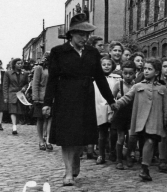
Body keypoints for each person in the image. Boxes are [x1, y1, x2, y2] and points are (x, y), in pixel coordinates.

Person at [42, 13, 116, 186]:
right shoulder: (58, 52)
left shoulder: (92, 53)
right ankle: (68, 173)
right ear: (71, 34)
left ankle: (76, 160)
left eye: (87, 34)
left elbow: (100, 78)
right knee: (67, 136)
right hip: (65, 96)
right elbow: (52, 79)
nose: (85, 38)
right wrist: (47, 103)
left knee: (81, 136)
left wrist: (111, 100)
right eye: (81, 34)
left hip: (85, 96)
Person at [115, 58, 167, 181]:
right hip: (140, 121)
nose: (146, 71)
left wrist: (166, 122)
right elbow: (126, 98)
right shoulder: (137, 86)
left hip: (155, 121)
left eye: (150, 69)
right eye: (145, 69)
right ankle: (131, 157)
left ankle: (145, 169)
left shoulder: (162, 89)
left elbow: (166, 108)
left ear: (157, 72)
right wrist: (116, 104)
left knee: (150, 141)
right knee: (135, 141)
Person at [111, 60, 136, 170]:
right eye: (125, 73)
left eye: (130, 73)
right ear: (122, 73)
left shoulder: (136, 85)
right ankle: (119, 159)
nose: (128, 76)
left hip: (132, 114)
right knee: (120, 138)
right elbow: (112, 99)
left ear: (134, 73)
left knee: (131, 137)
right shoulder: (118, 84)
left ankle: (129, 155)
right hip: (120, 114)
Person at [95, 56, 117, 164]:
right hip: (100, 108)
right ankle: (101, 154)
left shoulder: (116, 78)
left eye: (109, 64)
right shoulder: (95, 79)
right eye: (104, 65)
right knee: (102, 133)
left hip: (113, 108)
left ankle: (113, 151)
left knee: (113, 132)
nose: (106, 66)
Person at [32, 52, 52, 151]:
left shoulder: (54, 68)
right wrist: (35, 97)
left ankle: (48, 140)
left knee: (50, 118)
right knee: (40, 119)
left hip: (51, 96)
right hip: (40, 97)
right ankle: (41, 140)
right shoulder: (39, 68)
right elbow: (35, 83)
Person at [3, 58, 29, 135]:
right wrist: (5, 97)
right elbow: (5, 85)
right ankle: (14, 127)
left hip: (20, 94)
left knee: (19, 111)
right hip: (12, 94)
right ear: (14, 64)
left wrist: (25, 87)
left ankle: (16, 124)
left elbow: (27, 83)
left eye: (21, 63)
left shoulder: (24, 73)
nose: (20, 65)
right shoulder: (8, 73)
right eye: (18, 63)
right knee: (13, 111)